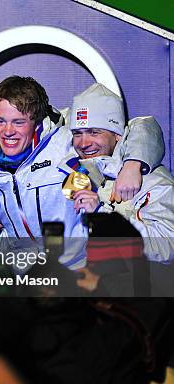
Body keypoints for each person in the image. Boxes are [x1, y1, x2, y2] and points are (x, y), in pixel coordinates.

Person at [0, 76, 164, 268]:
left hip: (76, 273)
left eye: (19, 122)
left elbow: (139, 126)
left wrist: (135, 162)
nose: (7, 131)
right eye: (0, 121)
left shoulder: (66, 140)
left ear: (37, 122)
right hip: (24, 278)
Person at [59, 82, 173, 264]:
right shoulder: (74, 172)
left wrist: (103, 216)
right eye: (77, 133)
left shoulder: (152, 180)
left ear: (117, 135)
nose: (83, 143)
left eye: (94, 132)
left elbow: (166, 248)